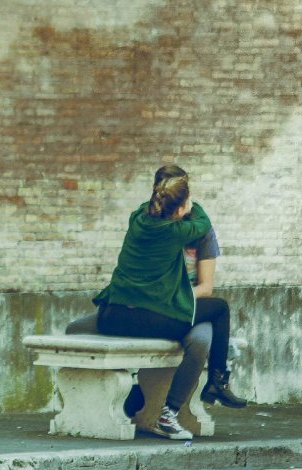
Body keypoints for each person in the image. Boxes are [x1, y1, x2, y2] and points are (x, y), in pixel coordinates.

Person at [84, 165, 243, 440]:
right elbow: (203, 222)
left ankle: (131, 401)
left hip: (114, 313)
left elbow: (205, 285)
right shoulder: (177, 230)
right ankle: (209, 387)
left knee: (202, 335)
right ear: (181, 208)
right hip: (156, 315)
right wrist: (191, 203)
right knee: (220, 309)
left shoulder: (138, 218)